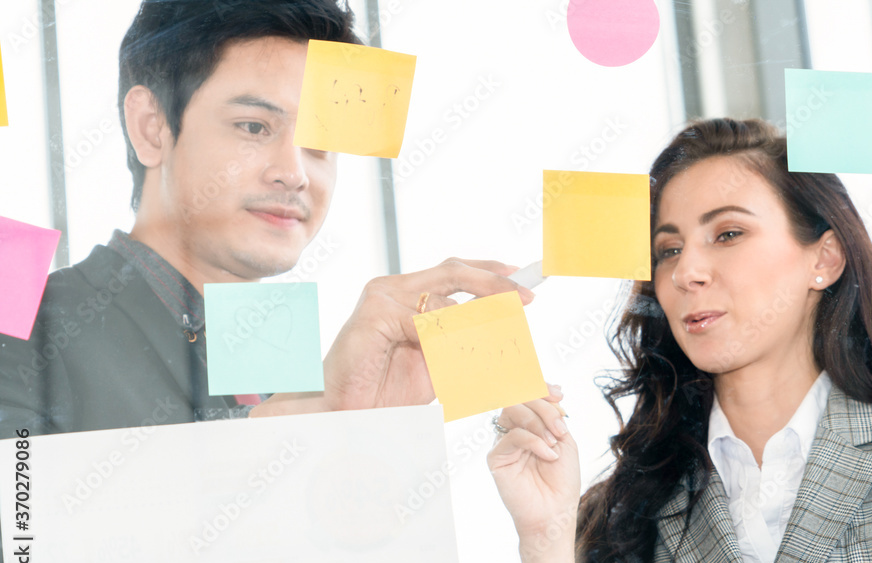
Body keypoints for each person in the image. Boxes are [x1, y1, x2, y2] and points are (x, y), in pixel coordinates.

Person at [489, 118, 872, 563]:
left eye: (727, 234)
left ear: (824, 259)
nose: (688, 271)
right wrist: (546, 539)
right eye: (668, 250)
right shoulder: (629, 509)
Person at [0, 0, 532, 436]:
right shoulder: (20, 329)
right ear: (150, 126)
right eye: (255, 127)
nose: (295, 173)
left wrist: (540, 549)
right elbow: (21, 560)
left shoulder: (286, 366)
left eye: (321, 146)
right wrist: (288, 428)